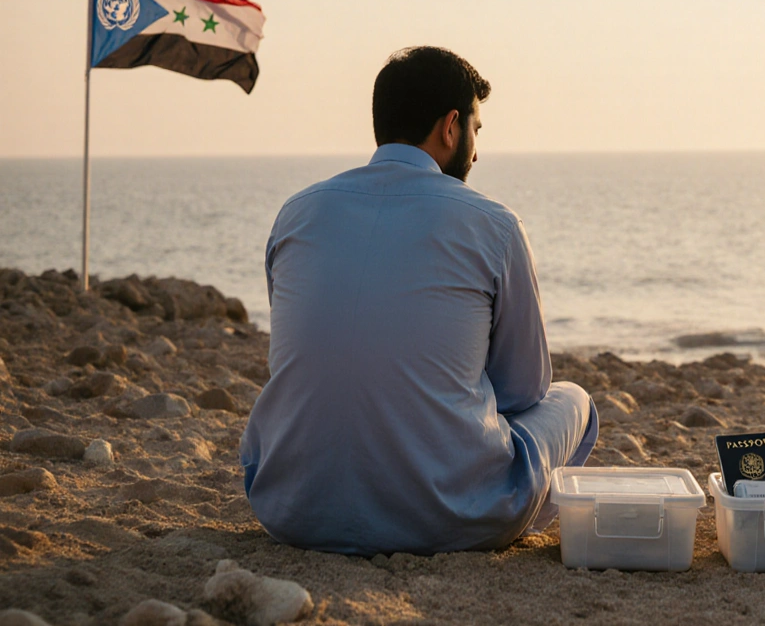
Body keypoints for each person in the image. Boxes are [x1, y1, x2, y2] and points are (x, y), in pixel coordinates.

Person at [240, 46, 597, 556]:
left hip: (292, 510)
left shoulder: (296, 213)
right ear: (451, 126)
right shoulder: (494, 224)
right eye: (476, 130)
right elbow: (524, 390)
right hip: (447, 521)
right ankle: (503, 510)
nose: (475, 153)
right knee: (574, 400)